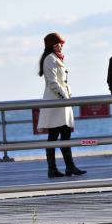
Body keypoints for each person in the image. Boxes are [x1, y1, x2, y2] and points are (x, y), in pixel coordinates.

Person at [37, 32, 87, 178]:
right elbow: (53, 83)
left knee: (64, 134)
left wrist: (67, 96)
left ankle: (68, 167)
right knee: (54, 136)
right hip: (56, 103)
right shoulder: (50, 59)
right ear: (51, 45)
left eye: (61, 43)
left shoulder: (55, 58)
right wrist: (65, 98)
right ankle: (55, 168)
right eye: (58, 43)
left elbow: (62, 82)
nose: (61, 45)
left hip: (60, 102)